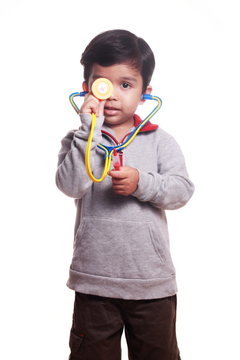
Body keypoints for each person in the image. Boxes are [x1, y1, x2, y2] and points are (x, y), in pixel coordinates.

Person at [56, 29, 194, 360]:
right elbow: (70, 186)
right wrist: (88, 131)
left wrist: (141, 183)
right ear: (87, 88)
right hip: (94, 283)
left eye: (126, 85)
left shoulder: (161, 141)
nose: (113, 95)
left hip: (151, 284)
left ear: (146, 92)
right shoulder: (79, 139)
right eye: (102, 84)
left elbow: (181, 191)